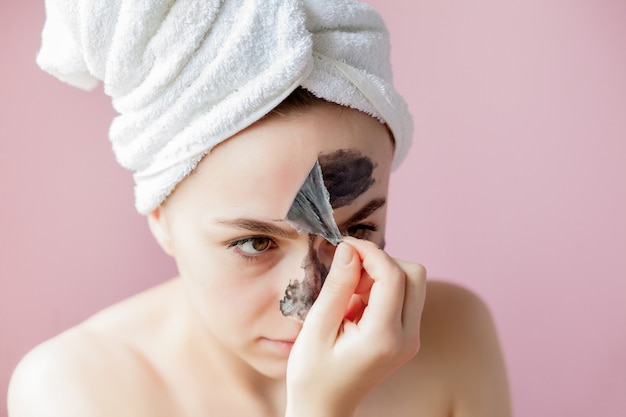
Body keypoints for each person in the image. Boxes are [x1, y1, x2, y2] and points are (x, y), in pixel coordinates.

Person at [8, 0, 511, 416]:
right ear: (160, 218)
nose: (312, 302)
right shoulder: (74, 390)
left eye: (356, 230)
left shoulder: (453, 337)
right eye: (255, 242)